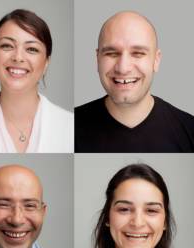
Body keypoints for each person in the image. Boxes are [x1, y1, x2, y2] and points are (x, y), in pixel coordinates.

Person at [0, 9, 73, 153]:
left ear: (46, 62)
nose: (18, 57)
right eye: (7, 46)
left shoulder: (71, 127)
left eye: (31, 49)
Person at [75, 11, 194, 152]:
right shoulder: (68, 127)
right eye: (112, 53)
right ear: (97, 58)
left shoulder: (189, 130)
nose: (123, 68)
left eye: (138, 53)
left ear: (156, 60)